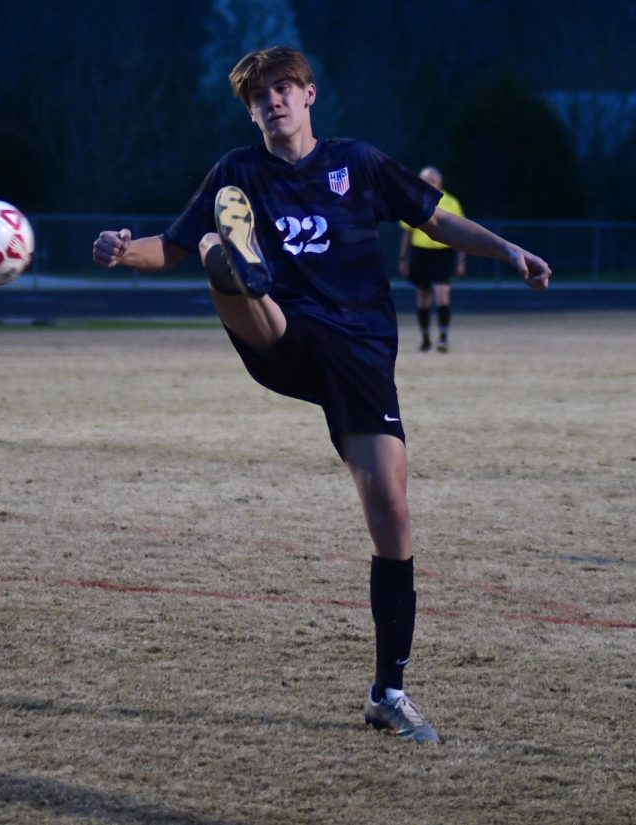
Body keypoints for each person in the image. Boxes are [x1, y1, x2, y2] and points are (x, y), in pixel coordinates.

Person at [92, 46, 550, 743]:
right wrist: (124, 249)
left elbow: (434, 220)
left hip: (362, 353)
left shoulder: (357, 163)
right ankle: (235, 265)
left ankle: (388, 692)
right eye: (259, 96)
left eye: (283, 89)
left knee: (392, 513)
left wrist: (508, 249)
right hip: (284, 334)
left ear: (309, 95)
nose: (272, 102)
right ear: (250, 110)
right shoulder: (236, 173)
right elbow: (168, 246)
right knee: (230, 263)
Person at [398, 167, 467, 352]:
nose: (429, 184)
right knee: (423, 295)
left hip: (443, 252)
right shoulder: (413, 200)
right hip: (421, 252)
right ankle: (425, 337)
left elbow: (461, 232)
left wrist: (461, 259)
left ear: (440, 182)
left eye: (432, 180)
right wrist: (403, 258)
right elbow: (408, 233)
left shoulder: (451, 202)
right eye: (425, 180)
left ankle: (443, 337)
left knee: (442, 291)